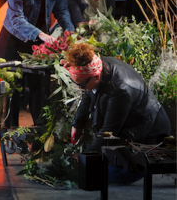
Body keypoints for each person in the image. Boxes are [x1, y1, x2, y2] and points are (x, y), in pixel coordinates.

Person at [0, 0, 75, 127]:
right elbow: (15, 18)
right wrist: (42, 35)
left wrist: (70, 33)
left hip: (38, 41)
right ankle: (11, 135)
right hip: (13, 40)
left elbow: (61, 9)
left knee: (39, 88)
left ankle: (40, 133)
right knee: (13, 89)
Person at [65, 43, 170, 184]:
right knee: (106, 162)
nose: (80, 88)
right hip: (128, 125)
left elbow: (108, 131)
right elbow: (88, 94)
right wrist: (77, 125)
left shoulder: (120, 90)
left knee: (115, 176)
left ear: (95, 77)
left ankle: (166, 165)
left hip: (149, 130)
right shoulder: (99, 65)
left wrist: (85, 156)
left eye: (81, 85)